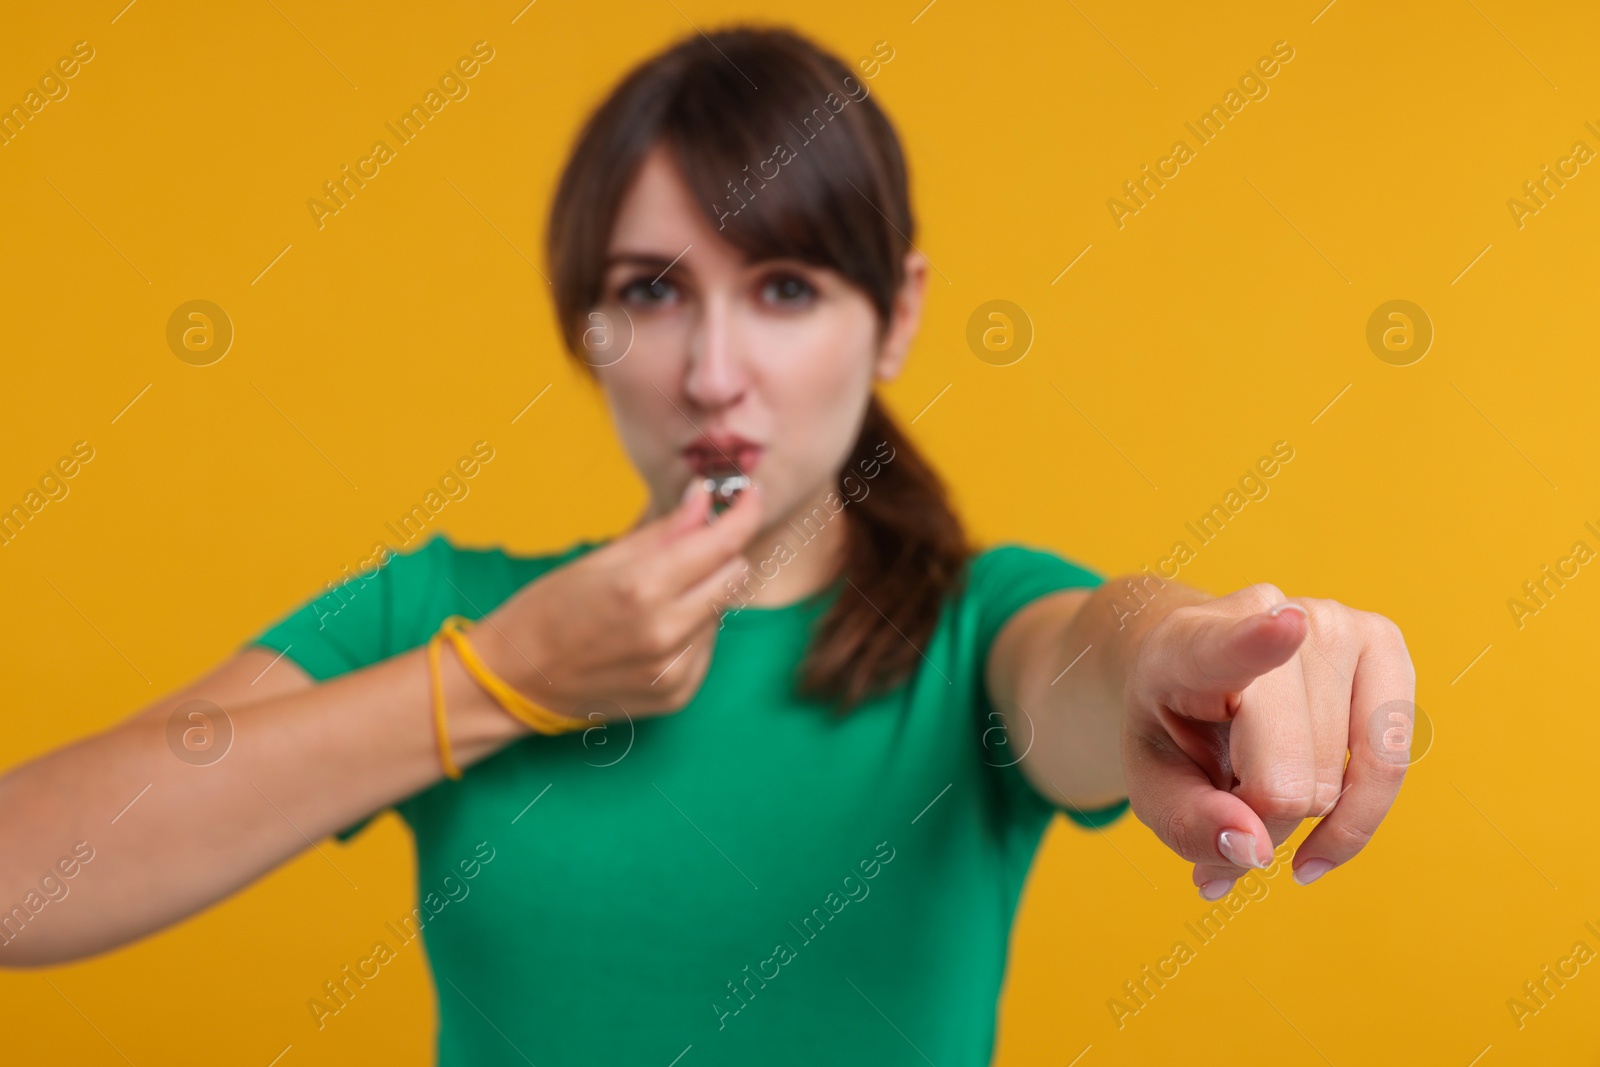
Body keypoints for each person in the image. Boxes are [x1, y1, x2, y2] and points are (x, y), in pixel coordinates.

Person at [0, 24, 1416, 1066]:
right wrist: (494, 685)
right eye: (653, 293)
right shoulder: (439, 617)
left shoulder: (974, 635)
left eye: (787, 287)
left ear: (899, 312)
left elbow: (1102, 652)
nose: (714, 370)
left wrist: (1189, 647)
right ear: (585, 325)